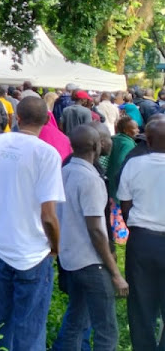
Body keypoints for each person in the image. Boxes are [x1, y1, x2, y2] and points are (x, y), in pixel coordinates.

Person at [0, 96, 65, 351]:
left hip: (1, 246)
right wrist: (55, 246)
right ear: (46, 121)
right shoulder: (47, 154)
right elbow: (48, 215)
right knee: (30, 328)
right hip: (34, 254)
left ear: (16, 118)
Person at [54, 125, 128, 351]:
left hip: (70, 259)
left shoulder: (64, 171)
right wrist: (115, 273)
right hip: (91, 263)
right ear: (96, 146)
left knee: (76, 321)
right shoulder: (91, 179)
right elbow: (95, 229)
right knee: (106, 328)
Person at [118, 118, 165, 351]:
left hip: (142, 240)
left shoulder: (134, 165)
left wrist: (135, 227)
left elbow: (125, 205)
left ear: (147, 139)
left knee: (141, 304)